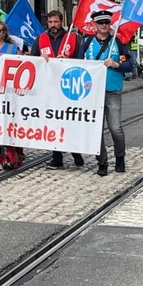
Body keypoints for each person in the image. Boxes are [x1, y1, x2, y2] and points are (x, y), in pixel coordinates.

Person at [82, 10, 133, 176]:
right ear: (94, 25)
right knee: (96, 130)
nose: (104, 26)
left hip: (112, 90)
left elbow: (130, 65)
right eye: (100, 23)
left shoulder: (117, 42)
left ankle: (120, 157)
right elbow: (75, 63)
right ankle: (102, 162)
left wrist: (117, 64)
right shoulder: (87, 42)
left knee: (115, 128)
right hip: (92, 92)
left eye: (106, 22)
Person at [40, 11, 85, 169]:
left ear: (62, 22)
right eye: (50, 22)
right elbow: (32, 58)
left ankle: (75, 151)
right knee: (52, 122)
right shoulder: (41, 39)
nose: (53, 25)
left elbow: (82, 60)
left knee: (68, 122)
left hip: (68, 87)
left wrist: (69, 62)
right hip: (49, 87)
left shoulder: (73, 38)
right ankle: (57, 157)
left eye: (56, 22)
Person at [0, 21, 25, 170]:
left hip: (8, 92)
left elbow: (23, 63)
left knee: (8, 123)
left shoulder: (13, 49)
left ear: (4, 33)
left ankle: (12, 153)